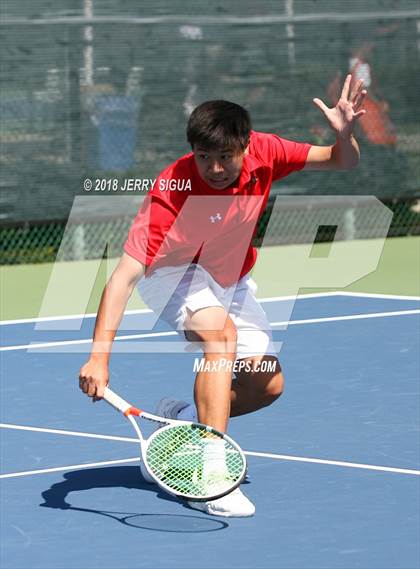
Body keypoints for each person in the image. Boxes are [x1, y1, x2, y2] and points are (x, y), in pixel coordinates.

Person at [79, 74, 367, 517]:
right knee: (220, 337)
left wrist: (345, 135)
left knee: (267, 385)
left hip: (230, 277)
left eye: (225, 156)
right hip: (174, 275)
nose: (214, 168)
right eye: (204, 156)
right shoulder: (170, 191)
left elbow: (340, 161)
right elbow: (122, 278)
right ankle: (214, 476)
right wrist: (99, 357)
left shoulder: (268, 152)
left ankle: (184, 433)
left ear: (246, 146)